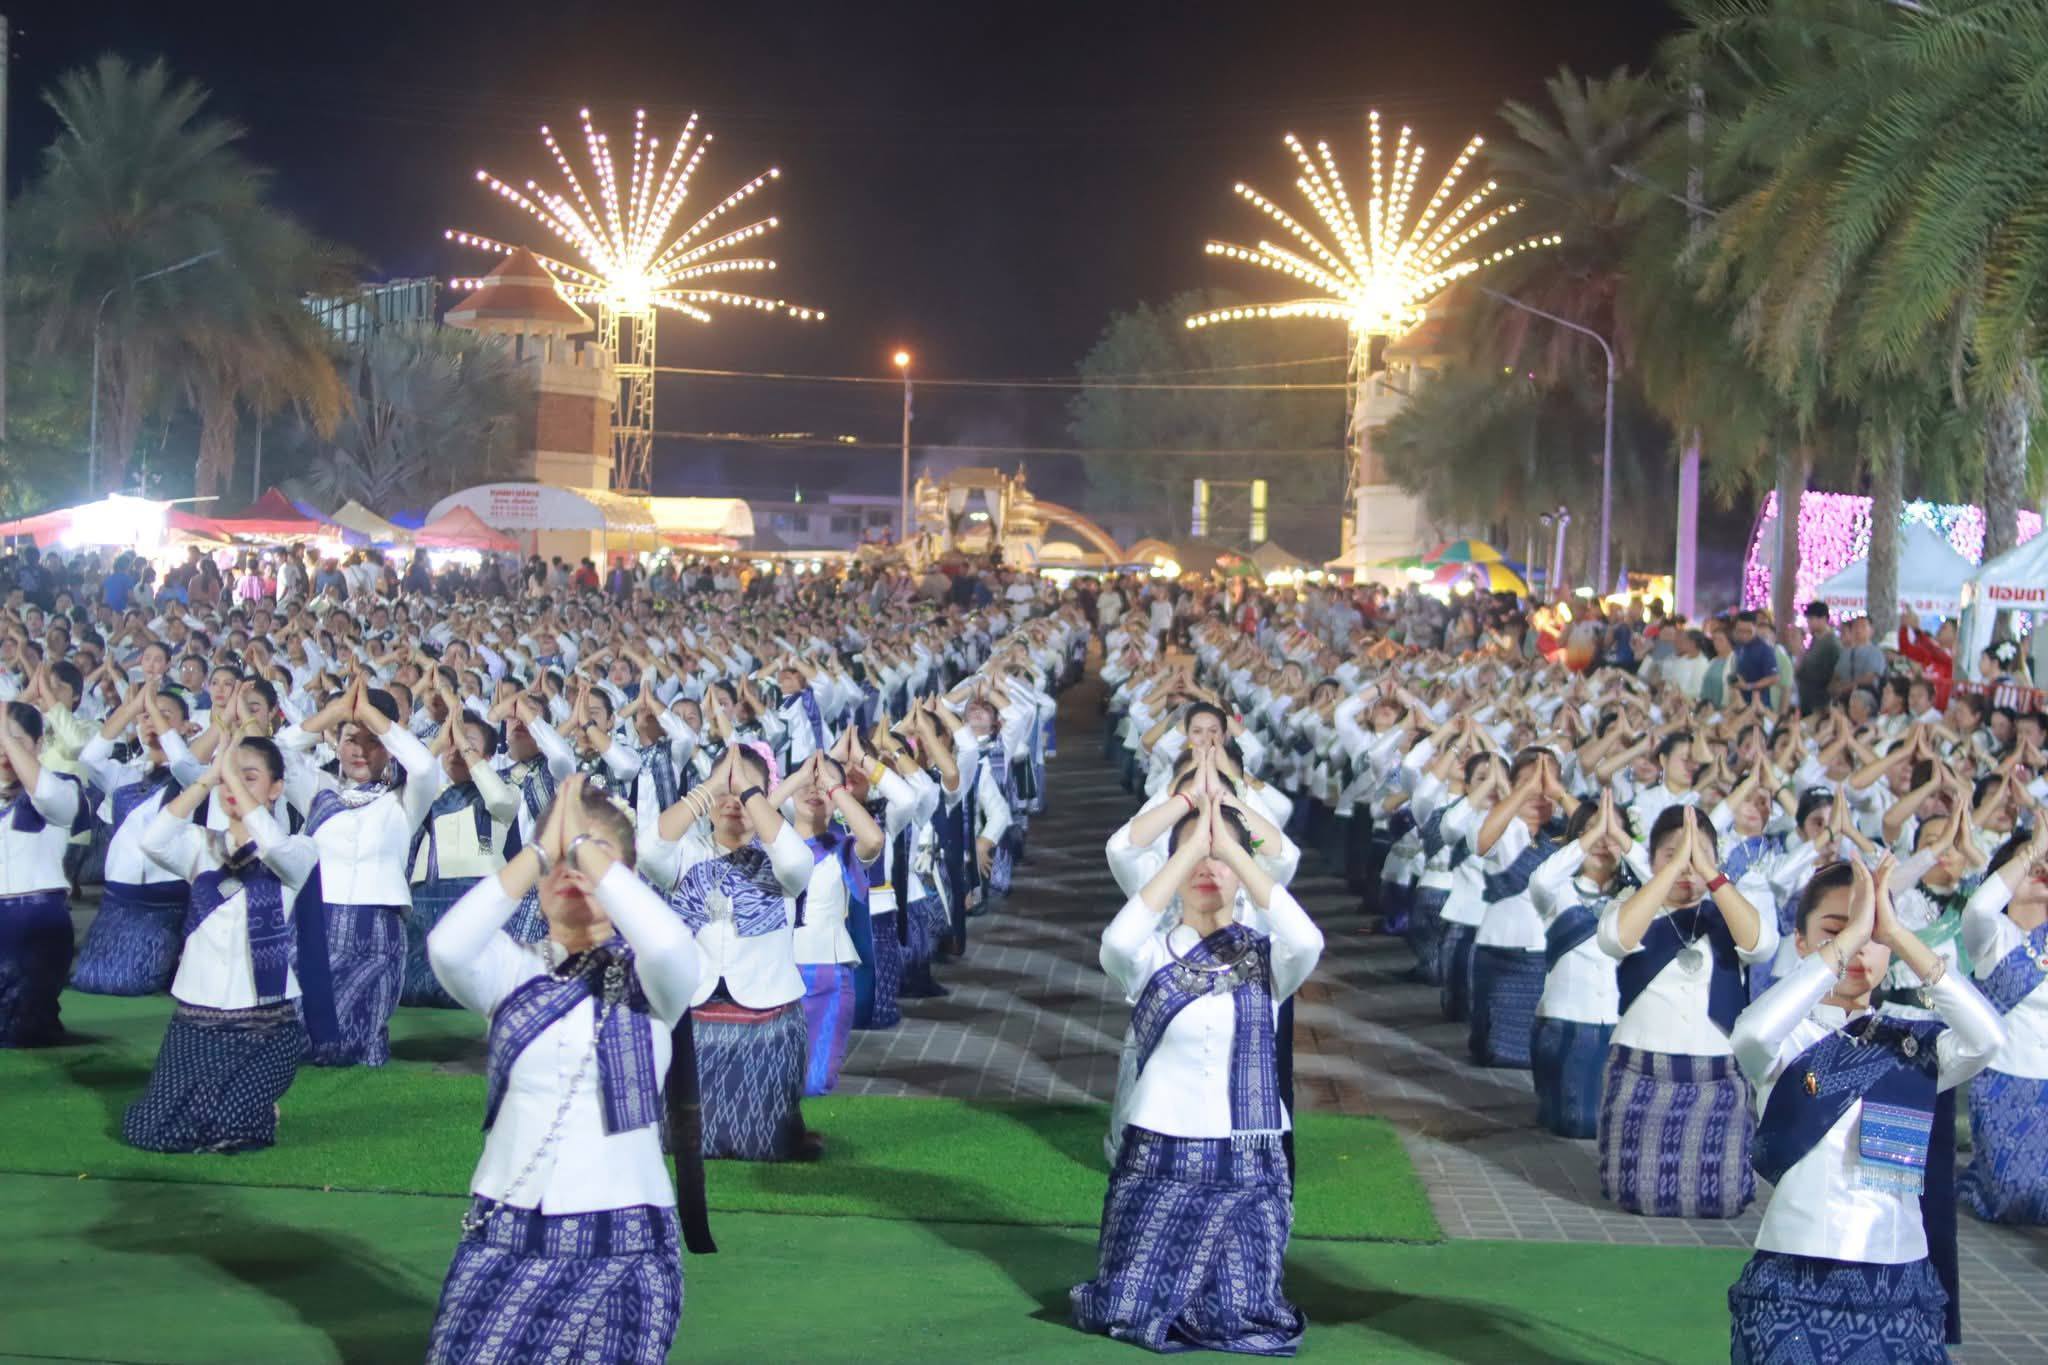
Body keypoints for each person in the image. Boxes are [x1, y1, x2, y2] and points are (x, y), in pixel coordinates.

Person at [424, 777, 701, 1365]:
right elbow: (447, 947)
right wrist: (541, 850)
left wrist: (584, 850)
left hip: (625, 1237)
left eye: (595, 855)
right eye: (562, 858)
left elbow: (673, 945)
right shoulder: (510, 970)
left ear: (623, 876)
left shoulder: (653, 979)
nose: (574, 870)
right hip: (506, 1227)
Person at [1072, 799, 1323, 1355]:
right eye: (1193, 860)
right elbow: (1114, 941)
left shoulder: (1269, 958)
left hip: (1248, 1158)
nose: (1207, 869)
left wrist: (1228, 846)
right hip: (1160, 1150)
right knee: (1128, 1307)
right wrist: (1191, 847)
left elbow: (1307, 941)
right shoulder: (1149, 956)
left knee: (1242, 1311)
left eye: (1222, 862)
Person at [1727, 857, 2004, 1361]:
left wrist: (1898, 936)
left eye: (1871, 937)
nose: (1858, 949)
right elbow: (1749, 1033)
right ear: (1805, 946)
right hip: (1795, 1273)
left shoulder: (1915, 1047)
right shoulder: (1787, 1040)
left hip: (1898, 1277)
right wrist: (1851, 938)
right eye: (1836, 932)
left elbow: (1987, 1038)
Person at [124, 736, 318, 1152]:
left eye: (250, 777)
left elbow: (276, 850)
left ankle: (259, 1109)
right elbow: (152, 840)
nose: (235, 788)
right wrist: (207, 779)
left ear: (276, 788)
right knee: (155, 1133)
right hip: (200, 1010)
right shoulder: (201, 844)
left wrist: (236, 784)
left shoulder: (300, 848)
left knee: (232, 1132)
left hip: (265, 1019)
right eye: (229, 780)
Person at [1597, 806, 1776, 1218]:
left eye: (1698, 855)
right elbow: (1615, 939)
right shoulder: (1630, 904)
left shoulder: (1729, 909)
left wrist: (1712, 875)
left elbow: (1761, 945)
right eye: (1672, 854)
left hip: (1717, 1074)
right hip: (1641, 1069)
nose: (1686, 867)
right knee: (1636, 1193)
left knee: (1723, 1196)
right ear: (1652, 860)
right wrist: (1671, 870)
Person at [1956, 824, 2048, 1225]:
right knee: (2017, 1198)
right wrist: (2031, 850)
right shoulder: (1993, 935)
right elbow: (1977, 907)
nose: (2041, 867)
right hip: (2005, 1083)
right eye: (2031, 864)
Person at [0, 701, 88, 1045]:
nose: (5, 750)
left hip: (34, 923)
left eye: (16, 741)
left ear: (39, 745)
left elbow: (48, 795)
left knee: (19, 1029)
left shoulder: (62, 788)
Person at [1794, 602, 1840, 716]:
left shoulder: (1832, 644)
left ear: (1823, 619)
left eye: (1810, 619)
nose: (1808, 623)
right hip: (1806, 698)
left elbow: (1834, 673)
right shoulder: (1815, 640)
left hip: (1820, 700)